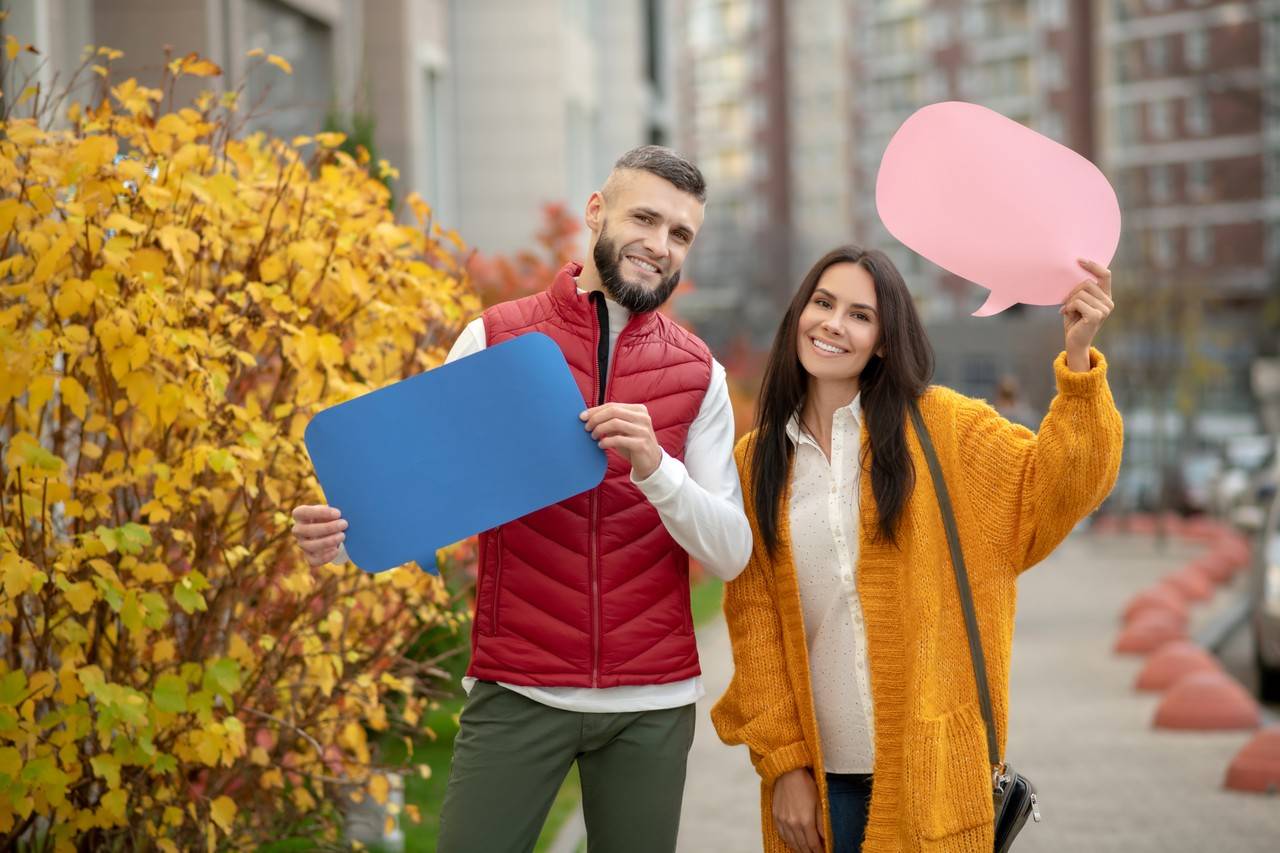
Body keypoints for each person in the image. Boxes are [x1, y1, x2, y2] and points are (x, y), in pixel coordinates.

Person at [291, 146, 753, 853]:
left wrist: (658, 468)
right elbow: (422, 496)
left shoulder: (700, 375)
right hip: (518, 687)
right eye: (646, 218)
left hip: (650, 703)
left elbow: (728, 551)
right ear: (597, 212)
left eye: (681, 234)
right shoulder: (494, 337)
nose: (661, 246)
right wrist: (343, 530)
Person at [711, 246, 1122, 853]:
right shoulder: (756, 461)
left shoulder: (945, 430)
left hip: (932, 771)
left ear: (882, 341)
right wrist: (784, 765)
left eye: (859, 314)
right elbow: (756, 625)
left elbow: (1060, 484)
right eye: (823, 303)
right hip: (820, 784)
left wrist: (1080, 358)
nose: (832, 324)